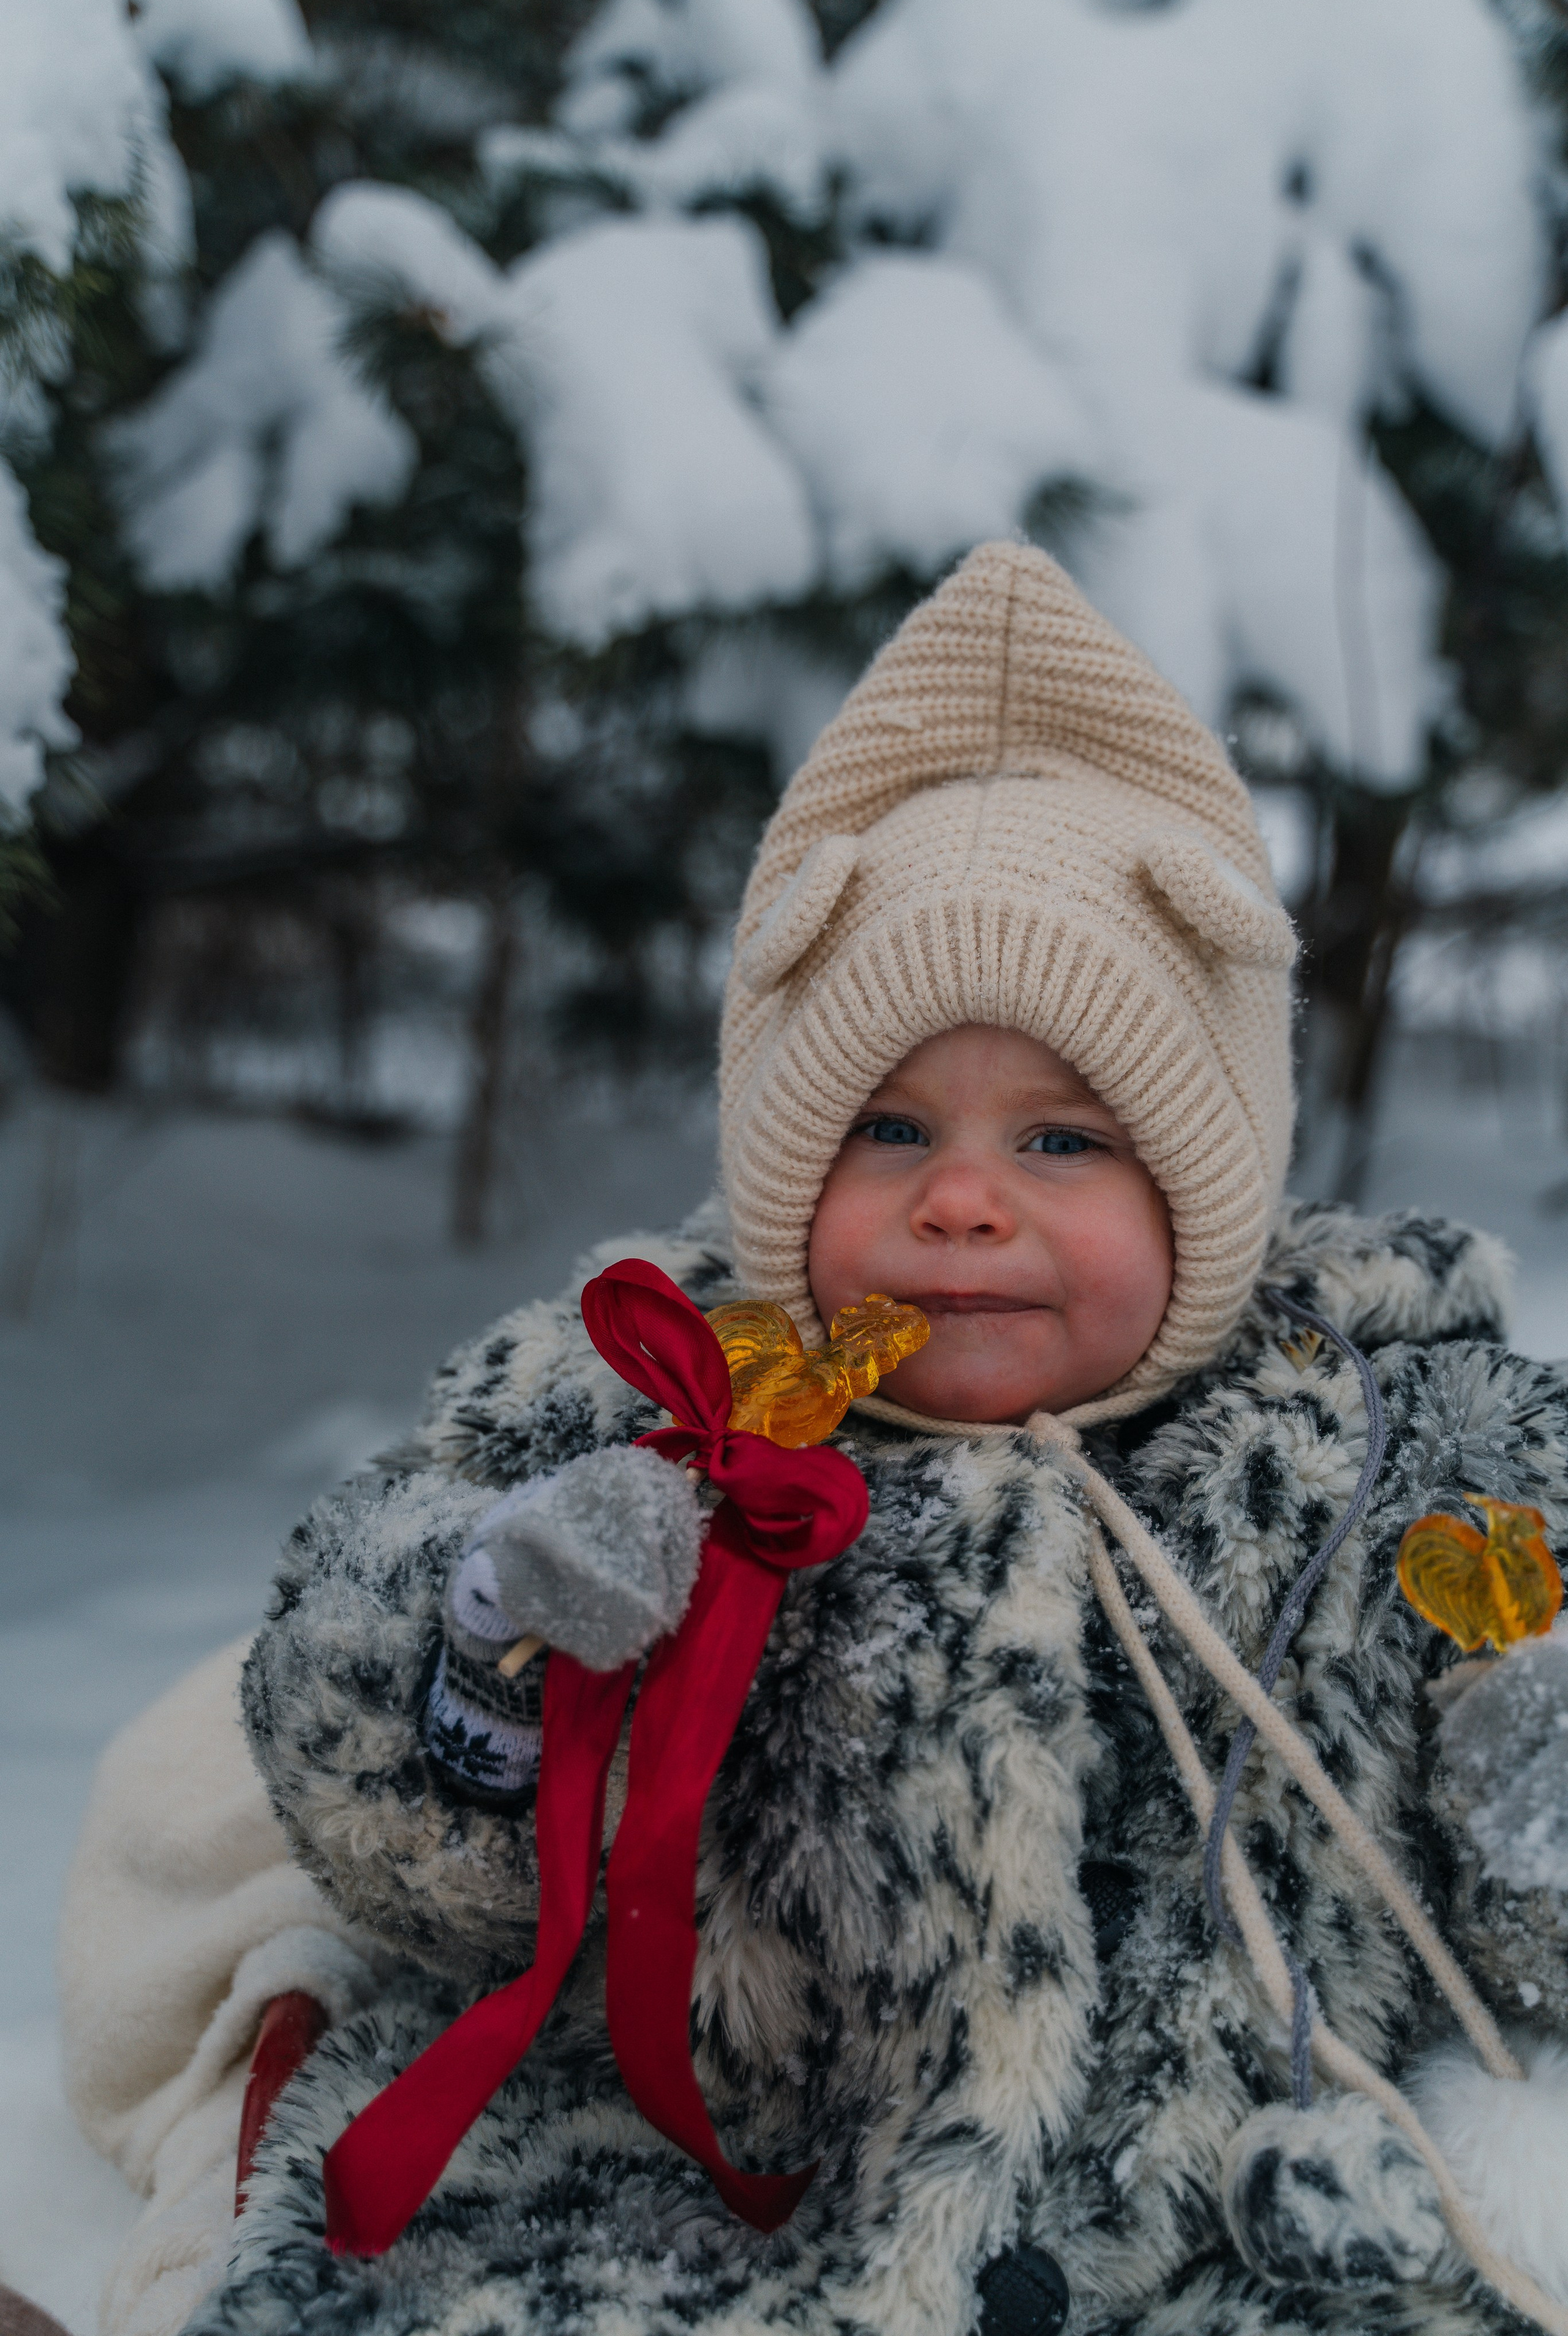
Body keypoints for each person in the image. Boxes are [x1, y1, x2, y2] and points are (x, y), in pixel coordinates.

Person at [59, 543, 1568, 2336]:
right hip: (684, 2206)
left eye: (1065, 1143)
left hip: (1222, 2225)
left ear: (1210, 1175)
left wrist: (1526, 1778)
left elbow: (1517, 1927)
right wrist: (484, 1638)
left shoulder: (1399, 1451)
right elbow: (390, 1828)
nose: (964, 1206)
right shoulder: (652, 1404)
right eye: (890, 1130)